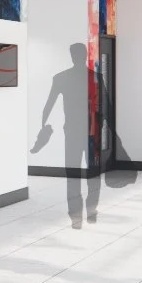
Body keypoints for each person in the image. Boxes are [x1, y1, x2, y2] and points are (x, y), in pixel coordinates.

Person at [35, 42, 100, 226]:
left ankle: (76, 216)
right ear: (85, 55)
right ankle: (92, 212)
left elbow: (48, 106)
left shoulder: (61, 78)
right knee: (93, 173)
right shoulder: (95, 78)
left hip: (72, 131)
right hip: (91, 131)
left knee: (72, 173)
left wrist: (43, 127)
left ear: (72, 56)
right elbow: (105, 107)